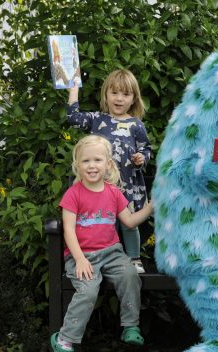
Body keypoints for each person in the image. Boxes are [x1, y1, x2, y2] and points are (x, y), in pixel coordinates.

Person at [50, 135, 153, 352]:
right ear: (78, 164)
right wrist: (79, 259)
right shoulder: (73, 194)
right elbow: (68, 229)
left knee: (129, 275)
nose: (92, 165)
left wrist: (150, 207)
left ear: (108, 164)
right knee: (87, 292)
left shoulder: (114, 193)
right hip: (82, 255)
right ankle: (64, 341)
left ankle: (130, 326)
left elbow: (129, 222)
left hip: (112, 253)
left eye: (97, 160)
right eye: (86, 161)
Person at [66, 68, 151, 273]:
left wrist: (141, 158)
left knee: (129, 224)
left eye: (125, 94)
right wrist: (73, 90)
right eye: (114, 93)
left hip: (128, 184)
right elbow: (73, 118)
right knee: (105, 222)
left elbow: (145, 148)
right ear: (106, 95)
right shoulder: (98, 120)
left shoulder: (136, 125)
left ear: (133, 99)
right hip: (101, 186)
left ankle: (134, 258)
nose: (119, 98)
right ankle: (105, 256)